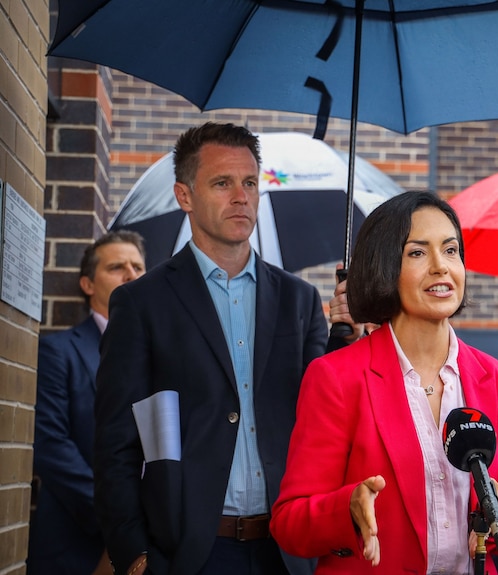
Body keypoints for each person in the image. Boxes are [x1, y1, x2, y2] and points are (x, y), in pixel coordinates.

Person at [93, 122, 356, 575]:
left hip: (287, 550)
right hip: (190, 553)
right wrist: (133, 554)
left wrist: (345, 334)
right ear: (185, 196)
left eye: (250, 182)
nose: (242, 197)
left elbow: (323, 411)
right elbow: (115, 444)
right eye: (222, 183)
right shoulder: (142, 302)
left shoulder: (299, 299)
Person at [270, 191, 498, 574]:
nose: (442, 267)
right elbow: (290, 524)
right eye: (418, 253)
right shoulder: (337, 378)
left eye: (452, 250)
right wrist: (348, 508)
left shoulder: (497, 379)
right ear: (385, 267)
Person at [28, 231, 146, 575]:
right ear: (87, 284)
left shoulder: (163, 356)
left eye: (138, 266)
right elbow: (49, 445)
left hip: (156, 544)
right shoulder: (58, 352)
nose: (131, 275)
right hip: (78, 541)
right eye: (116, 267)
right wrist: (118, 516)